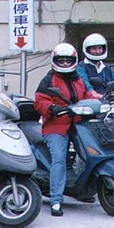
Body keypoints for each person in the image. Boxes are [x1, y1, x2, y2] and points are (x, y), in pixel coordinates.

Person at [34, 43, 96, 217]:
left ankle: (86, 190)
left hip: (78, 124)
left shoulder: (78, 79)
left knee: (91, 152)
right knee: (59, 159)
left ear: (74, 60)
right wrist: (51, 107)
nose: (64, 63)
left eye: (67, 60)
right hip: (56, 125)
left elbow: (87, 95)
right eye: (60, 60)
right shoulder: (49, 79)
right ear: (55, 60)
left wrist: (98, 100)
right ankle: (56, 200)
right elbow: (39, 101)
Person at [76, 33, 114, 97]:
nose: (97, 51)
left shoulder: (106, 68)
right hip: (88, 103)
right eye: (94, 49)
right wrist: (92, 92)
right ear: (87, 50)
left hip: (105, 102)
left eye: (99, 48)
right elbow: (84, 82)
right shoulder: (81, 67)